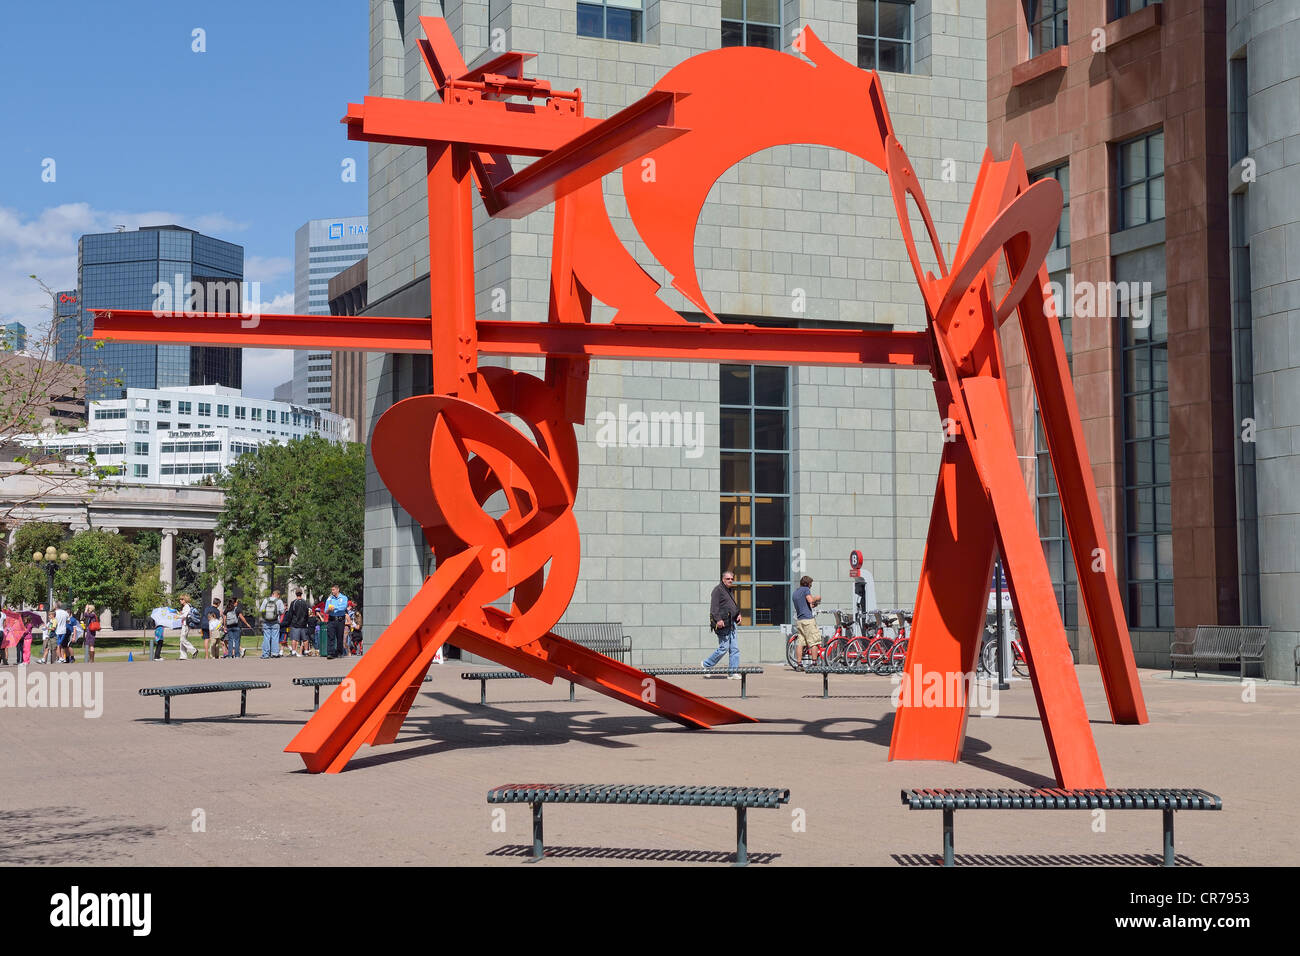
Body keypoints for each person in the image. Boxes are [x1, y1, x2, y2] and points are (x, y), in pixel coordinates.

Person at [703, 572, 743, 678]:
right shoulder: (718, 590)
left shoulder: (729, 590)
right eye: (728, 578)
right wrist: (718, 620)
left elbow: (732, 606)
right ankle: (706, 664)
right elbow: (714, 608)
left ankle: (733, 672)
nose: (730, 580)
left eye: (732, 579)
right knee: (723, 648)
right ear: (723, 579)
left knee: (734, 649)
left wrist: (738, 614)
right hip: (723, 624)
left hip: (731, 623)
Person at [791, 575, 822, 669]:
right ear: (807, 584)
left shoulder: (795, 592)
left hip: (800, 620)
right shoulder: (805, 590)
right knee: (814, 642)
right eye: (811, 584)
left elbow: (808, 605)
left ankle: (799, 664)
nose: (811, 586)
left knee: (800, 643)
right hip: (808, 620)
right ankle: (814, 663)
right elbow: (811, 600)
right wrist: (818, 598)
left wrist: (813, 604)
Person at [258, 589, 285, 659]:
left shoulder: (265, 600)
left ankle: (265, 654)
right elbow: (282, 611)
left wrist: (266, 614)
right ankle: (275, 653)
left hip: (266, 622)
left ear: (272, 594)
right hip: (275, 622)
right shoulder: (279, 601)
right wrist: (277, 613)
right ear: (278, 595)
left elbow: (261, 610)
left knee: (266, 637)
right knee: (275, 637)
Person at [323, 586, 348, 659]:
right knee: (330, 636)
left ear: (338, 590)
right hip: (331, 619)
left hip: (340, 619)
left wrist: (334, 608)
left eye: (333, 590)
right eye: (332, 590)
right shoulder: (330, 598)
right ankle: (330, 653)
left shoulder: (343, 598)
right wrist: (328, 610)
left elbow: (343, 607)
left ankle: (339, 652)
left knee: (339, 636)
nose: (332, 591)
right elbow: (325, 610)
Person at [285, 589, 311, 657]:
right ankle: (306, 651)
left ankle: (293, 651)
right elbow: (307, 613)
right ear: (301, 594)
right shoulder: (305, 602)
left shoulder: (294, 602)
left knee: (294, 638)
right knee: (305, 638)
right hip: (303, 624)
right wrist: (306, 621)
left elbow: (290, 614)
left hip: (295, 624)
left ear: (296, 594)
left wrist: (289, 622)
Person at [177, 595, 198, 660]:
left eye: (181, 599)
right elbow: (184, 614)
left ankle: (194, 650)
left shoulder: (187, 606)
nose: (180, 600)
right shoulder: (186, 606)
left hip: (186, 625)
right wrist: (179, 614)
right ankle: (183, 656)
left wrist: (178, 616)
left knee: (182, 639)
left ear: (185, 600)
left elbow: (185, 615)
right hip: (184, 624)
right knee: (182, 641)